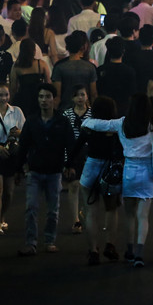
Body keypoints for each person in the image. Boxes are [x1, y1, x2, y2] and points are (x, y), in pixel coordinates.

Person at [82, 92, 153, 267]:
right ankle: (139, 254)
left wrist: (85, 122)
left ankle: (129, 250)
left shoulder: (122, 123)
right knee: (143, 216)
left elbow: (99, 125)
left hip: (129, 170)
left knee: (129, 215)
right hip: (148, 172)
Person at [16, 84, 76, 256]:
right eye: (41, 97)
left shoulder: (62, 121)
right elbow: (24, 146)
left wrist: (70, 165)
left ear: (54, 99)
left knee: (52, 210)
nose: (44, 100)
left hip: (54, 171)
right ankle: (31, 242)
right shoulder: (32, 121)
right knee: (31, 208)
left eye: (48, 96)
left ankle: (49, 240)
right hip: (34, 171)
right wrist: (19, 169)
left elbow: (70, 145)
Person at [73, 95, 123, 266]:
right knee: (111, 209)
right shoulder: (117, 128)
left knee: (91, 212)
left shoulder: (89, 127)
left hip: (91, 167)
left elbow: (77, 147)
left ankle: (93, 250)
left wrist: (67, 164)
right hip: (110, 170)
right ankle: (110, 245)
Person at [0, 82, 24, 236]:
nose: (3, 98)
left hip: (11, 152)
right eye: (0, 95)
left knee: (9, 191)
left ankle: (2, 217)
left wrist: (18, 133)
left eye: (6, 95)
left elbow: (25, 131)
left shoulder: (16, 112)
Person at [62, 85, 92, 234]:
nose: (80, 98)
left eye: (82, 94)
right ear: (72, 98)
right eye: (77, 95)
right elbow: (64, 138)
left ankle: (86, 215)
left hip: (89, 153)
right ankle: (75, 220)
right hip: (73, 152)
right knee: (73, 185)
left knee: (87, 187)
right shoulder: (67, 114)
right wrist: (66, 160)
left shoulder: (93, 114)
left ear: (87, 96)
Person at [52, 30, 97, 107]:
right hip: (85, 109)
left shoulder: (59, 66)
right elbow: (93, 94)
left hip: (65, 109)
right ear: (82, 47)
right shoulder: (90, 67)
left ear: (67, 47)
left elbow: (57, 96)